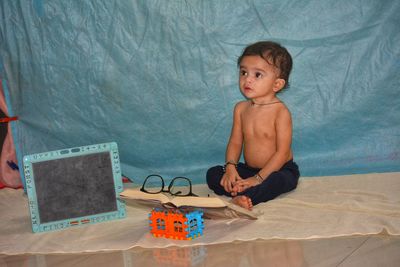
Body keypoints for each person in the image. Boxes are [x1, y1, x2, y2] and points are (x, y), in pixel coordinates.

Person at [206, 41, 300, 210]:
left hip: (278, 169)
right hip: (249, 170)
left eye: (257, 75)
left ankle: (247, 195)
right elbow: (235, 143)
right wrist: (230, 169)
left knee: (278, 182)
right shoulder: (241, 109)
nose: (247, 79)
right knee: (213, 174)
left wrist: (257, 179)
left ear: (277, 84)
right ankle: (240, 188)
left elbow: (282, 152)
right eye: (243, 72)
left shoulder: (280, 112)